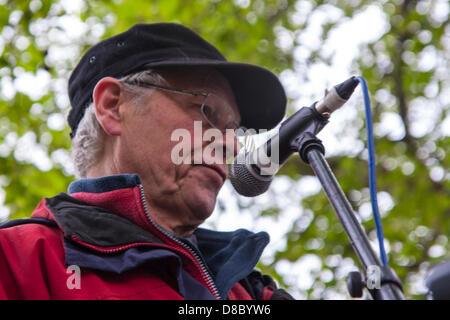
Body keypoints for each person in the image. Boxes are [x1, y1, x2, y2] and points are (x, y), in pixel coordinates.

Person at [0, 23, 291, 300]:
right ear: (113, 106)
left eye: (234, 130)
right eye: (207, 111)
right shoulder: (15, 261)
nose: (231, 145)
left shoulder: (251, 293)